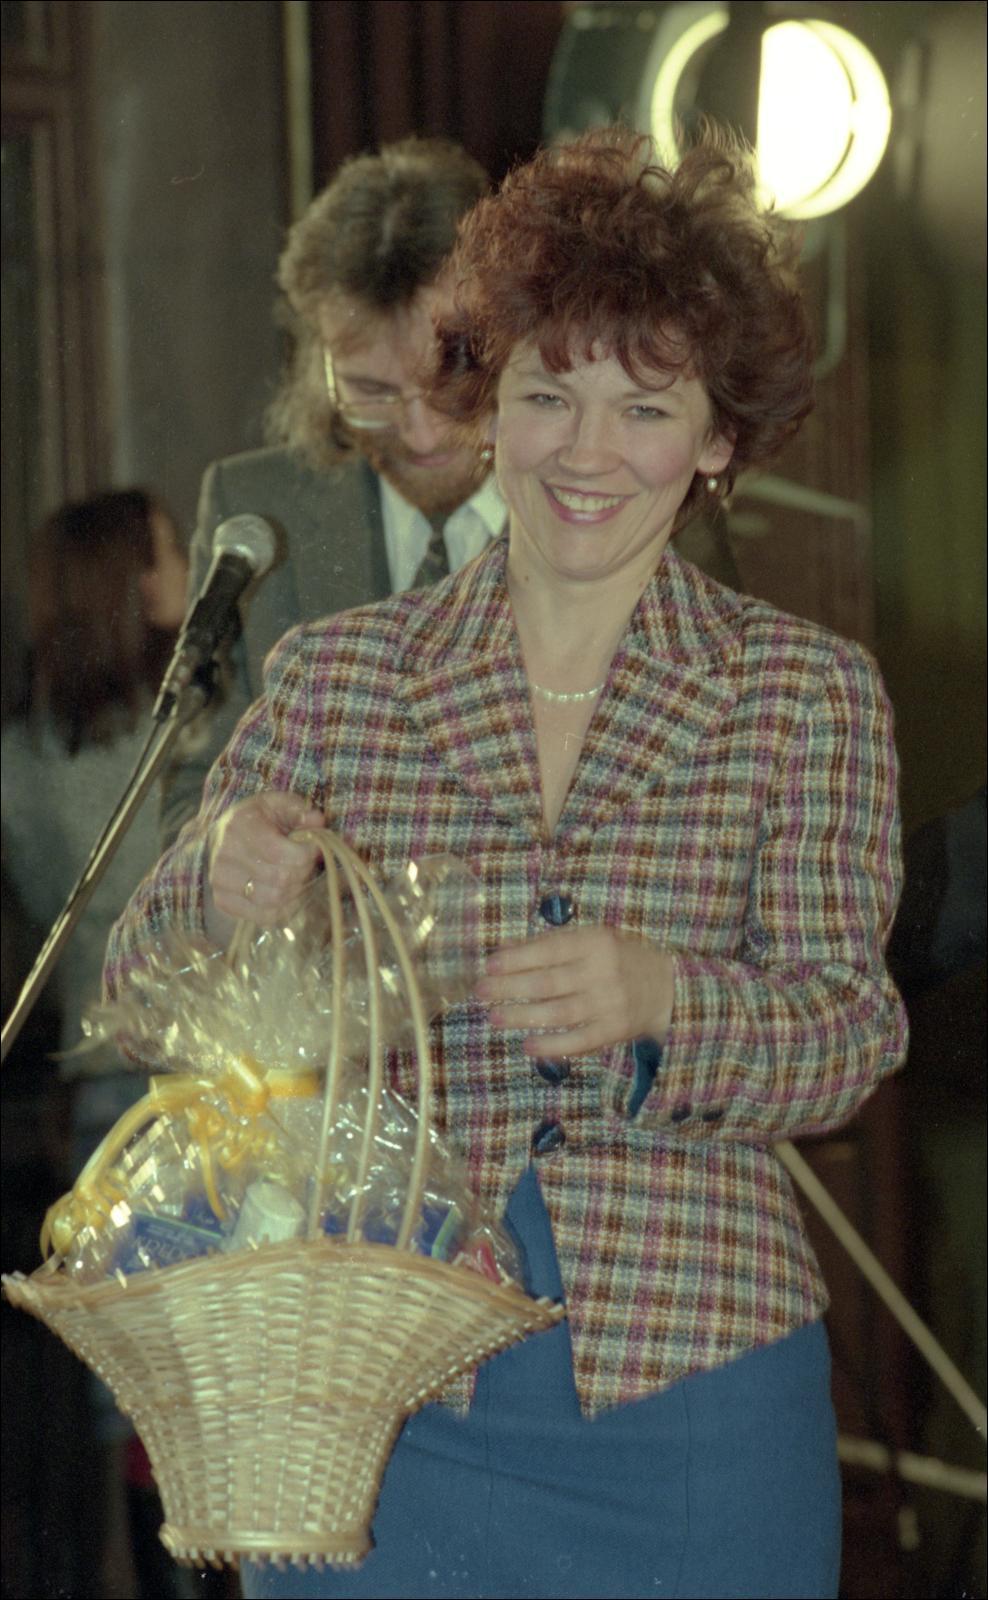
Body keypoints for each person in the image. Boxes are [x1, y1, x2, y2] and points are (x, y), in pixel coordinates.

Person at [105, 129, 908, 1599]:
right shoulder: (338, 674)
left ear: (717, 440)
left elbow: (848, 1032)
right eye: (547, 395)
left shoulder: (805, 694)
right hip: (367, 1394)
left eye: (644, 408)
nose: (584, 453)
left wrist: (669, 997)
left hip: (694, 1395)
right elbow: (142, 987)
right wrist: (215, 883)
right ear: (492, 405)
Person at [161, 135, 504, 845]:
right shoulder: (253, 508)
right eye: (371, 391)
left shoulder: (620, 494)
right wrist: (238, 850)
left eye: (451, 377)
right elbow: (190, 804)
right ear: (320, 363)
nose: (421, 435)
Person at [0, 488, 205, 1600]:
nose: (193, 569)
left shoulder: (23, 760)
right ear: (132, 584)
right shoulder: (199, 727)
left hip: (103, 1086)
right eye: (174, 552)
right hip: (204, 1080)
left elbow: (50, 910)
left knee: (131, 1381)